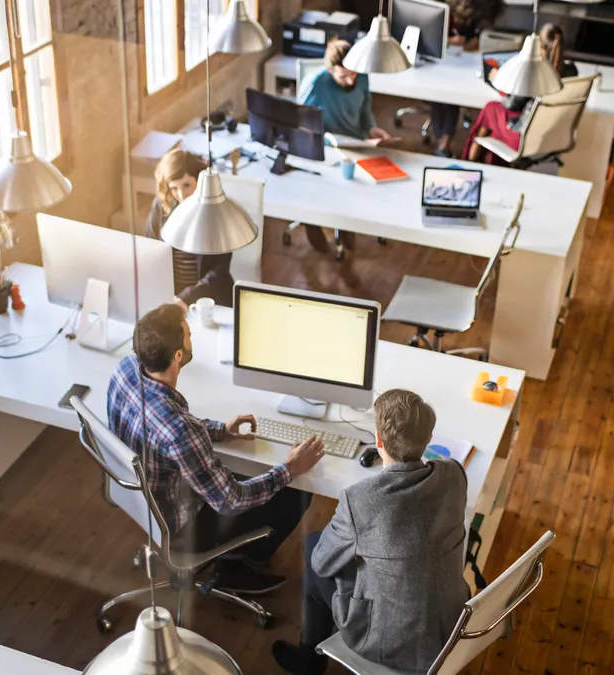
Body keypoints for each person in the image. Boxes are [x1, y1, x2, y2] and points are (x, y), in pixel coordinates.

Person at [107, 303, 327, 593]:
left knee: (247, 470)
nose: (191, 338)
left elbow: (165, 429)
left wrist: (221, 430)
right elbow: (231, 501)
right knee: (297, 492)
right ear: (177, 355)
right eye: (188, 334)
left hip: (140, 501)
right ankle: (237, 568)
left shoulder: (126, 370)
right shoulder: (180, 431)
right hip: (182, 529)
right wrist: (290, 469)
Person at [272, 389, 471, 674]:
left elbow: (322, 563)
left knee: (314, 554)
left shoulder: (361, 498)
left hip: (392, 643)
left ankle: (309, 662)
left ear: (378, 440)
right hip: (452, 624)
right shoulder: (454, 474)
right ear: (429, 439)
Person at [297, 39, 396, 255]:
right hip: (327, 148)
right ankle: (312, 221)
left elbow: (365, 108)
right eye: (344, 76)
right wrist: (326, 140)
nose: (351, 80)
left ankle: (345, 225)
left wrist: (372, 128)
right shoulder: (316, 84)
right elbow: (300, 123)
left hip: (357, 144)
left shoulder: (361, 76)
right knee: (323, 185)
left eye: (354, 75)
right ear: (330, 71)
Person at [466, 22, 579, 165]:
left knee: (491, 109)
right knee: (494, 116)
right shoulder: (571, 71)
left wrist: (497, 81)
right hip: (551, 134)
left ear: (541, 49)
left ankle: (472, 160)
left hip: (524, 137)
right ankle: (481, 159)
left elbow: (513, 104)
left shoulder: (533, 72)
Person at [146, 148, 235, 308]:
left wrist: (186, 298)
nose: (181, 195)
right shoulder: (161, 207)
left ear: (199, 181)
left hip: (209, 297)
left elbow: (220, 271)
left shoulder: (215, 209)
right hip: (172, 296)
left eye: (187, 185)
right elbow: (150, 249)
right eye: (174, 188)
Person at [428, 0, 492, 157]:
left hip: (465, 61)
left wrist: (471, 43)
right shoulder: (440, 8)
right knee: (436, 95)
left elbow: (479, 39)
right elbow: (430, 34)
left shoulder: (479, 9)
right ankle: (441, 142)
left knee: (451, 99)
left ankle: (444, 143)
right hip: (439, 59)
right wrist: (449, 41)